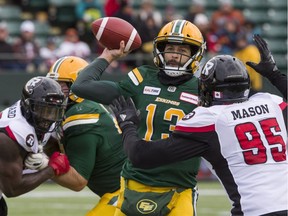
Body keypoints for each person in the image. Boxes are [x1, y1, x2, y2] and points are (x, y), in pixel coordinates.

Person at [109, 35, 288, 216]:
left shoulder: (210, 120)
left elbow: (140, 156)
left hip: (254, 211)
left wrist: (128, 125)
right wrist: (274, 74)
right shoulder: (271, 103)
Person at [72, 19, 206, 215]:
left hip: (179, 187)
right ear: (159, 49)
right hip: (135, 182)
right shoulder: (142, 79)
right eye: (170, 49)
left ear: (195, 54)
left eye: (183, 51)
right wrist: (107, 55)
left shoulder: (203, 90)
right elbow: (80, 86)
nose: (174, 56)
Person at [26, 56, 127, 216]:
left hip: (127, 194)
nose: (55, 92)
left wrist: (43, 164)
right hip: (124, 190)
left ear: (77, 86)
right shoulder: (84, 108)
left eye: (62, 86)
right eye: (52, 85)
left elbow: (77, 181)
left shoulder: (81, 116)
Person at [0, 76, 70, 216]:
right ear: (28, 105)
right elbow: (12, 189)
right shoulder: (9, 136)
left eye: (52, 111)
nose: (48, 118)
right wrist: (51, 169)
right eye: (43, 110)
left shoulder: (31, 117)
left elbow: (46, 142)